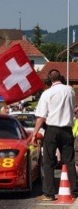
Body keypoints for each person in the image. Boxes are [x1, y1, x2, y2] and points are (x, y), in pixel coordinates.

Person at [30, 69, 78, 201]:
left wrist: (34, 134)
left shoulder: (47, 93)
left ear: (49, 80)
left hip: (52, 130)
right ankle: (74, 191)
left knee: (49, 162)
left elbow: (41, 117)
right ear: (60, 78)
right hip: (67, 130)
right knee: (69, 162)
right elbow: (72, 107)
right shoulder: (70, 90)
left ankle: (49, 193)